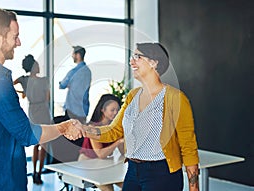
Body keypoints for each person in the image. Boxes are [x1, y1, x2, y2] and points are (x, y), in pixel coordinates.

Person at [0, 9, 83, 191]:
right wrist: (65, 127)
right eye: (14, 36)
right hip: (0, 182)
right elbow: (28, 134)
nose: (18, 43)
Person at [82, 43, 200, 191]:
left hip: (161, 174)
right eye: (132, 57)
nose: (131, 61)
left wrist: (194, 188)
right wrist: (82, 129)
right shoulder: (133, 96)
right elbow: (113, 131)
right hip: (133, 171)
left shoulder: (175, 99)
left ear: (153, 62)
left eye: (137, 57)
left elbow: (188, 147)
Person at [14, 54, 51, 184]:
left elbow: (10, 84)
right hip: (43, 111)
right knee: (44, 145)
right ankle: (38, 174)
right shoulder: (44, 80)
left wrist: (24, 92)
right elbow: (48, 98)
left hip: (33, 111)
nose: (39, 66)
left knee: (36, 143)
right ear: (33, 67)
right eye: (36, 64)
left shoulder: (24, 80)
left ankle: (35, 172)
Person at [78, 94, 124, 191]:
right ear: (103, 110)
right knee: (108, 189)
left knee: (128, 185)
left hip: (104, 164)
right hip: (88, 163)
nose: (116, 113)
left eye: (118, 110)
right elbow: (101, 154)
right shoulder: (93, 128)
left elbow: (123, 152)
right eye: (112, 110)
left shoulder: (114, 128)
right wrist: (118, 141)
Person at [58, 45, 91, 124]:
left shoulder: (73, 72)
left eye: (73, 54)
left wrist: (68, 84)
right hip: (83, 110)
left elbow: (62, 85)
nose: (72, 56)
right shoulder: (88, 71)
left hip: (72, 110)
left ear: (78, 55)